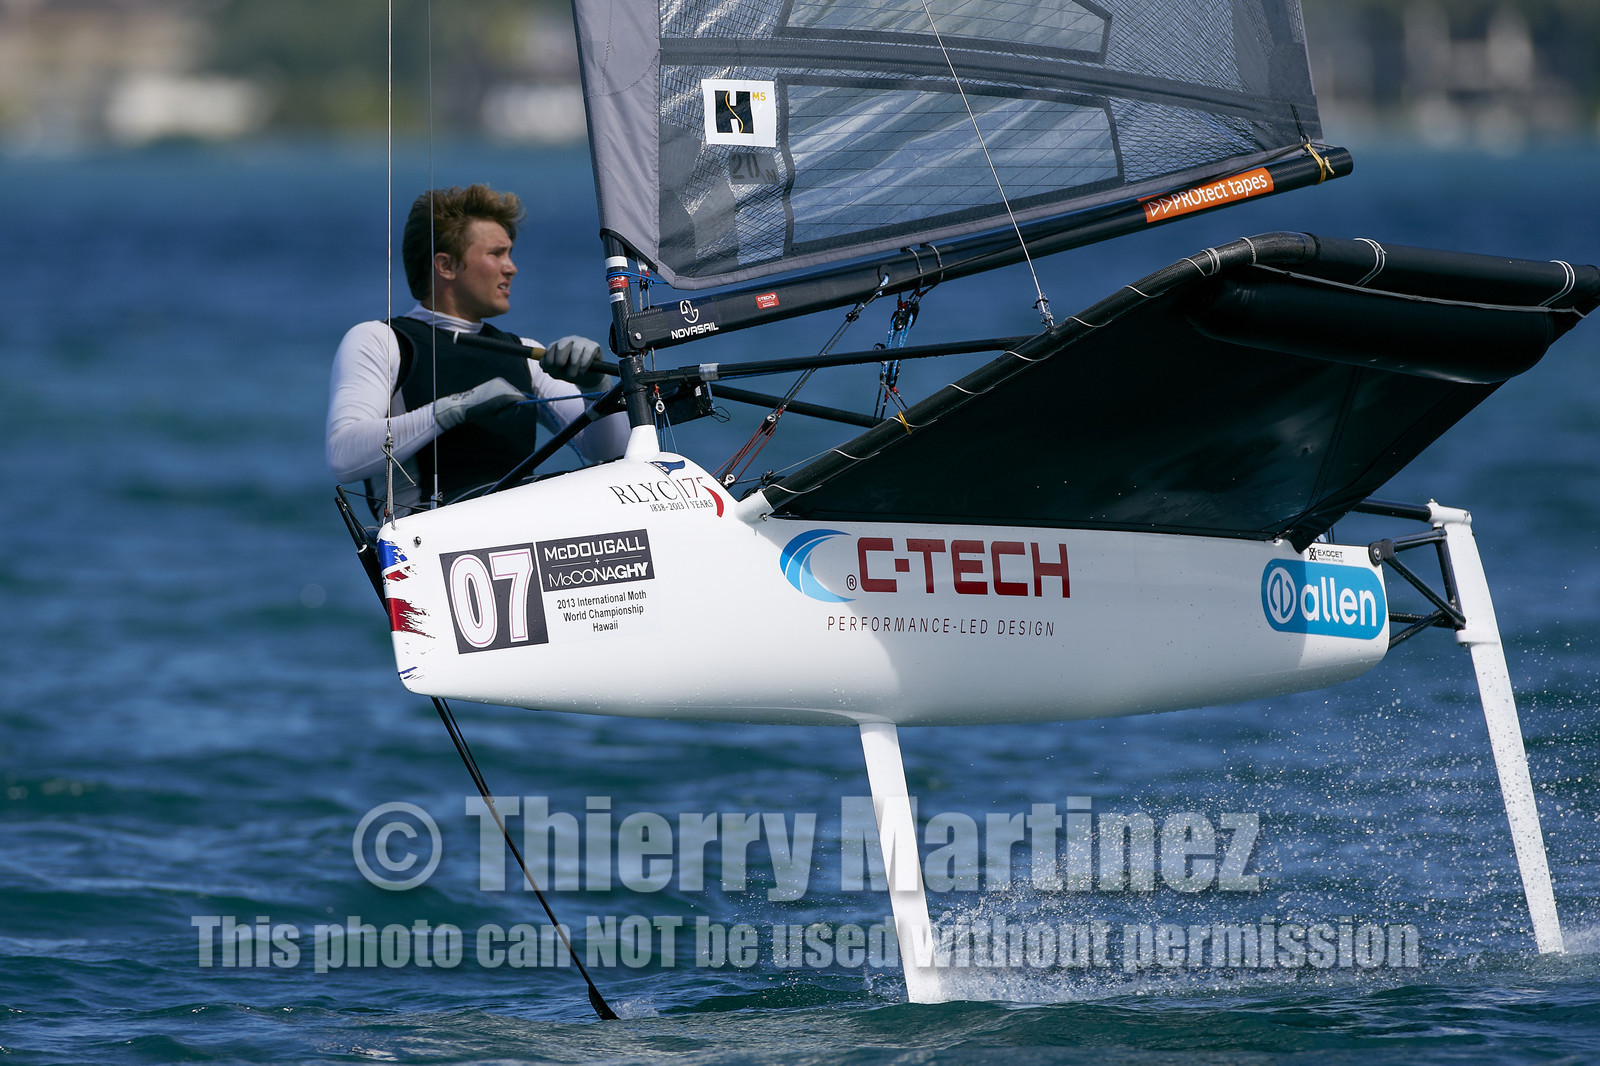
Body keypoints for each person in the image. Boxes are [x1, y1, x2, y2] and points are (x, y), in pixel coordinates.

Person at [327, 183, 629, 514]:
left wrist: (594, 388)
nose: (511, 267)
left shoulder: (526, 354)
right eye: (496, 254)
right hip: (428, 542)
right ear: (446, 266)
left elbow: (609, 450)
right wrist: (457, 408)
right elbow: (343, 457)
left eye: (510, 253)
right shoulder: (381, 340)